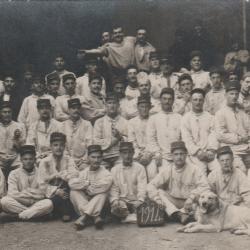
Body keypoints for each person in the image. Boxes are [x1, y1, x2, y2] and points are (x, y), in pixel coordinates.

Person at [147, 141, 210, 224]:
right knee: (160, 193)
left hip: (190, 203)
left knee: (200, 210)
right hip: (174, 202)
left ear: (186, 155)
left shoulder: (195, 169)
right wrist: (157, 199)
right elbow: (151, 185)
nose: (179, 157)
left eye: (181, 154)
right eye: (176, 154)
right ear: (172, 156)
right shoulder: (168, 169)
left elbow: (205, 186)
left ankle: (175, 215)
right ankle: (178, 215)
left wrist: (191, 198)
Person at [1, 145, 53, 220]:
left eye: (30, 159)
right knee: (4, 201)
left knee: (49, 203)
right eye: (25, 159)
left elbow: (43, 194)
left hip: (36, 203)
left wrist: (25, 193)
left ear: (35, 160)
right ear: (21, 160)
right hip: (20, 204)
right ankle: (34, 214)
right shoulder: (14, 173)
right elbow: (12, 194)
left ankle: (19, 216)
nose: (28, 161)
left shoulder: (41, 173)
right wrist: (32, 195)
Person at [69, 145, 112, 230]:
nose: (96, 160)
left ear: (102, 158)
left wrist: (87, 189)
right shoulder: (84, 172)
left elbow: (104, 186)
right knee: (73, 192)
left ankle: (85, 217)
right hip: (89, 203)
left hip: (101, 206)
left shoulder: (106, 173)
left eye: (99, 157)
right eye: (93, 157)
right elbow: (71, 183)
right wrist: (86, 184)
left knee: (103, 193)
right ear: (88, 158)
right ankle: (95, 217)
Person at [37, 132, 78, 222]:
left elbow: (74, 174)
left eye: (61, 145)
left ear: (64, 146)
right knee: (50, 199)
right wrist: (56, 190)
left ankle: (60, 210)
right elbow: (41, 184)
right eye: (55, 145)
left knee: (70, 189)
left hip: (65, 189)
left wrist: (63, 175)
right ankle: (63, 211)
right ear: (51, 146)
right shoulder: (45, 162)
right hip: (49, 191)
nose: (58, 148)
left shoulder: (68, 159)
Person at [215, 81, 250, 174]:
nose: (234, 96)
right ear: (225, 95)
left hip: (246, 148)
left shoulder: (242, 112)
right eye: (231, 94)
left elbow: (249, 129)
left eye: (236, 94)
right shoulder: (220, 113)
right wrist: (240, 138)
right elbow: (220, 135)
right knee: (241, 171)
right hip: (231, 150)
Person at [181, 88, 219, 175]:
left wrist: (211, 150)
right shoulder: (185, 118)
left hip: (210, 153)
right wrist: (197, 151)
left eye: (200, 100)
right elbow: (187, 139)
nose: (198, 102)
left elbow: (213, 134)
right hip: (194, 155)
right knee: (200, 174)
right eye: (195, 100)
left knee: (219, 170)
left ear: (203, 101)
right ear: (191, 101)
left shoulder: (210, 117)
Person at [110, 142, 147, 221]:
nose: (127, 156)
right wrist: (115, 201)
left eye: (130, 153)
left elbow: (142, 186)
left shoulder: (140, 168)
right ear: (120, 154)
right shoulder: (114, 170)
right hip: (122, 201)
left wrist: (140, 200)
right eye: (124, 153)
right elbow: (114, 188)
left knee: (145, 208)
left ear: (133, 153)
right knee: (116, 208)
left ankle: (130, 216)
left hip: (136, 201)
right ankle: (130, 215)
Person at [146, 88, 182, 169]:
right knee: (152, 170)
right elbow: (151, 138)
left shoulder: (179, 118)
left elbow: (182, 138)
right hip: (160, 155)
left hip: (177, 155)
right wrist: (157, 152)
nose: (167, 101)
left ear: (173, 101)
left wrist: (178, 153)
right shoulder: (154, 118)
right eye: (164, 99)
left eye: (170, 99)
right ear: (160, 100)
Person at [93, 93, 128, 169]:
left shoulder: (125, 122)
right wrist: (115, 139)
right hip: (103, 156)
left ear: (118, 105)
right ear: (105, 105)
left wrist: (121, 137)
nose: (112, 106)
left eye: (114, 103)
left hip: (119, 156)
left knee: (120, 170)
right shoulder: (99, 122)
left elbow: (129, 140)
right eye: (109, 103)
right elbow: (96, 142)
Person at [128, 96, 157, 181]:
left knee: (152, 173)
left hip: (151, 153)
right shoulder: (132, 122)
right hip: (137, 154)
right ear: (137, 107)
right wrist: (138, 154)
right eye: (142, 106)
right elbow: (132, 141)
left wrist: (149, 154)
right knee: (136, 175)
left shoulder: (154, 120)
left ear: (149, 108)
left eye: (146, 107)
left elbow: (155, 139)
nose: (144, 109)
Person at [61, 98, 93, 170]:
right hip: (67, 161)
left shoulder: (87, 124)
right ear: (68, 110)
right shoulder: (62, 125)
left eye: (78, 108)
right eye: (73, 108)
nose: (76, 110)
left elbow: (90, 144)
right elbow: (62, 146)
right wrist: (70, 161)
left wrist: (83, 160)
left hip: (83, 162)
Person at [0, 102, 26, 179]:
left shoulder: (19, 126)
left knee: (23, 166)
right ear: (0, 113)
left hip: (15, 158)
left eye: (9, 112)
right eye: (4, 112)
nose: (7, 114)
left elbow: (22, 149)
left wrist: (16, 139)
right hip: (1, 158)